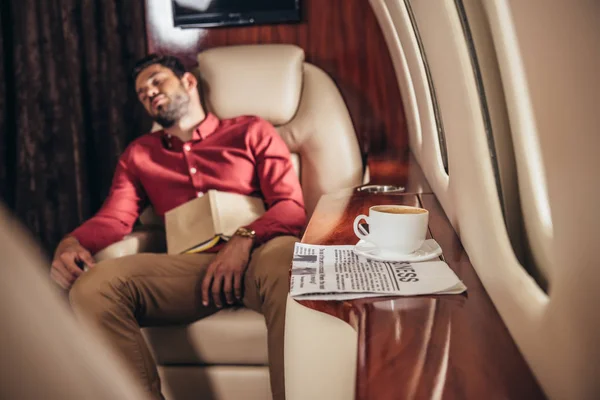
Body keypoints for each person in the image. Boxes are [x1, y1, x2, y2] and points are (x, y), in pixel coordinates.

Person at [49, 54, 306, 400]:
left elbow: (290, 207)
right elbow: (115, 218)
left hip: (258, 256)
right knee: (91, 287)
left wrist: (244, 239)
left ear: (188, 81)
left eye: (157, 81)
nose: (149, 93)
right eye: (142, 93)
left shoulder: (251, 130)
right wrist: (71, 241)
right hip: (191, 269)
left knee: (289, 260)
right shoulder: (139, 154)